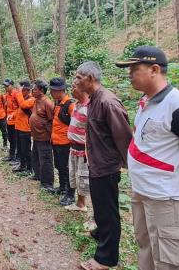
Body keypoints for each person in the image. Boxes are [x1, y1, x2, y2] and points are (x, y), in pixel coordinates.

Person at [115, 47, 179, 270]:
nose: (129, 74)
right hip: (143, 191)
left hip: (167, 197)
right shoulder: (146, 102)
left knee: (170, 261)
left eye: (134, 69)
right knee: (146, 248)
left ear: (155, 69)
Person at [75, 61, 133, 270]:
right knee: (100, 206)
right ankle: (100, 234)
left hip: (107, 167)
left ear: (90, 78)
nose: (75, 81)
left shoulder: (108, 102)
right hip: (96, 163)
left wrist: (130, 167)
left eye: (78, 77)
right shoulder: (93, 100)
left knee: (108, 212)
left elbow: (125, 138)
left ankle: (106, 258)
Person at [49, 77, 76, 205]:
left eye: (54, 91)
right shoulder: (57, 103)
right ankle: (61, 187)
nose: (52, 93)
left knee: (67, 168)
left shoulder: (70, 105)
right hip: (56, 142)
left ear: (62, 90)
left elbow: (75, 124)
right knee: (59, 166)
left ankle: (70, 195)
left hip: (65, 143)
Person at [65, 81, 89, 212]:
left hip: (83, 149)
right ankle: (80, 203)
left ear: (83, 89)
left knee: (83, 177)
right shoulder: (77, 105)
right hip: (73, 147)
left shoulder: (89, 107)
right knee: (75, 175)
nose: (72, 90)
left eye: (74, 87)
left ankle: (83, 204)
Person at [28, 80, 56, 192]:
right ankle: (38, 176)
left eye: (34, 89)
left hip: (44, 137)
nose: (32, 91)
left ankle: (48, 183)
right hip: (36, 136)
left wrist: (49, 135)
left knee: (46, 160)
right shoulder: (36, 101)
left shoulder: (47, 103)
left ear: (41, 91)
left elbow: (52, 121)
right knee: (35, 157)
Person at [13, 80, 35, 174]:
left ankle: (29, 168)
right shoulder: (23, 98)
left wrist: (18, 93)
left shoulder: (31, 99)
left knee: (26, 149)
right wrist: (13, 115)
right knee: (20, 149)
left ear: (26, 90)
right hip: (18, 127)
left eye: (21, 90)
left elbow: (22, 105)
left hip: (25, 128)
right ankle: (22, 165)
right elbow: (19, 110)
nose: (20, 92)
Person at [3, 79, 20, 162]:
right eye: (5, 86)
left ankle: (17, 157)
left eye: (7, 86)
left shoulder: (16, 94)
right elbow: (6, 107)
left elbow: (20, 107)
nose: (5, 87)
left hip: (16, 122)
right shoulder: (6, 95)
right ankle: (11, 155)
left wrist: (13, 115)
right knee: (10, 139)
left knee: (16, 140)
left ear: (12, 85)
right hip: (9, 121)